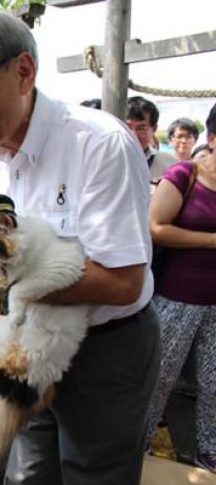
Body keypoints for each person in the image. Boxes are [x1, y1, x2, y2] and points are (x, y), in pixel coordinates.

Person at [0, 10, 159, 485]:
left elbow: (122, 282)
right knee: (28, 475)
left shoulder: (98, 144)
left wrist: (12, 289)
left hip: (104, 353)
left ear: (24, 71)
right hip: (23, 344)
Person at [145, 103, 216, 474]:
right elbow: (156, 227)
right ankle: (136, 445)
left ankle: (211, 451)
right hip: (177, 299)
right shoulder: (184, 174)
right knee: (159, 378)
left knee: (215, 383)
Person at [127, 96, 176, 181]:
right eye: (127, 127)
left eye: (141, 128)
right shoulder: (105, 161)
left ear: (154, 129)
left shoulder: (169, 164)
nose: (133, 135)